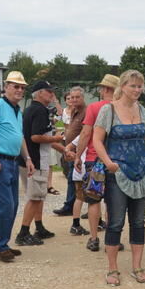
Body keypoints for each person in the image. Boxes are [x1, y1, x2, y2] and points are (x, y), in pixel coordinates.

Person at [92, 70, 145, 286]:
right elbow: (97, 140)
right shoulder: (108, 110)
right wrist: (108, 162)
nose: (137, 90)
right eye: (133, 86)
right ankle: (112, 269)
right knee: (116, 222)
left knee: (138, 222)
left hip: (141, 173)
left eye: (140, 86)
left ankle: (137, 267)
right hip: (118, 174)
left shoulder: (141, 110)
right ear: (123, 87)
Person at [0, 71, 35, 262]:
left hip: (11, 161)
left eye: (22, 87)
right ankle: (0, 245)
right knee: (5, 205)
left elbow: (20, 137)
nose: (19, 90)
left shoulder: (17, 110)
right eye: (15, 86)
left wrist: (27, 159)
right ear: (6, 87)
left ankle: (0, 244)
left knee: (12, 204)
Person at [74, 74, 120, 253]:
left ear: (106, 89)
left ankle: (94, 239)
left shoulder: (94, 107)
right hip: (115, 160)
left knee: (93, 200)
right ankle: (112, 239)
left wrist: (78, 156)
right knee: (113, 201)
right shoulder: (121, 108)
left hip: (94, 159)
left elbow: (86, 134)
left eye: (101, 87)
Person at [16, 80, 65, 245]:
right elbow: (36, 137)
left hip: (27, 159)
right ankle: (23, 233)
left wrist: (64, 150)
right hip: (36, 160)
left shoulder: (30, 109)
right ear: (39, 93)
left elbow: (42, 137)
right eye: (48, 91)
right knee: (35, 197)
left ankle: (39, 227)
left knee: (38, 195)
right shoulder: (40, 110)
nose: (52, 94)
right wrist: (57, 138)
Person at [54, 87, 87, 217]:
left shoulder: (86, 112)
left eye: (77, 97)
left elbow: (85, 134)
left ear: (83, 98)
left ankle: (85, 207)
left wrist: (76, 151)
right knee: (72, 179)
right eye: (72, 97)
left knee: (82, 180)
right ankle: (70, 206)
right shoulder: (74, 111)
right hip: (70, 151)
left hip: (80, 153)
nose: (74, 100)